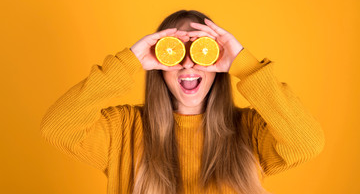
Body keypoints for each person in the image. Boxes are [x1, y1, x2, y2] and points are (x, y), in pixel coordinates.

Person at [40, 10, 325, 194]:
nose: (188, 63)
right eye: (174, 53)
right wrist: (130, 61)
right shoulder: (124, 129)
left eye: (200, 51)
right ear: (159, 64)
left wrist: (245, 66)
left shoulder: (250, 130)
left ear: (217, 61)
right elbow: (58, 128)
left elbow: (306, 143)